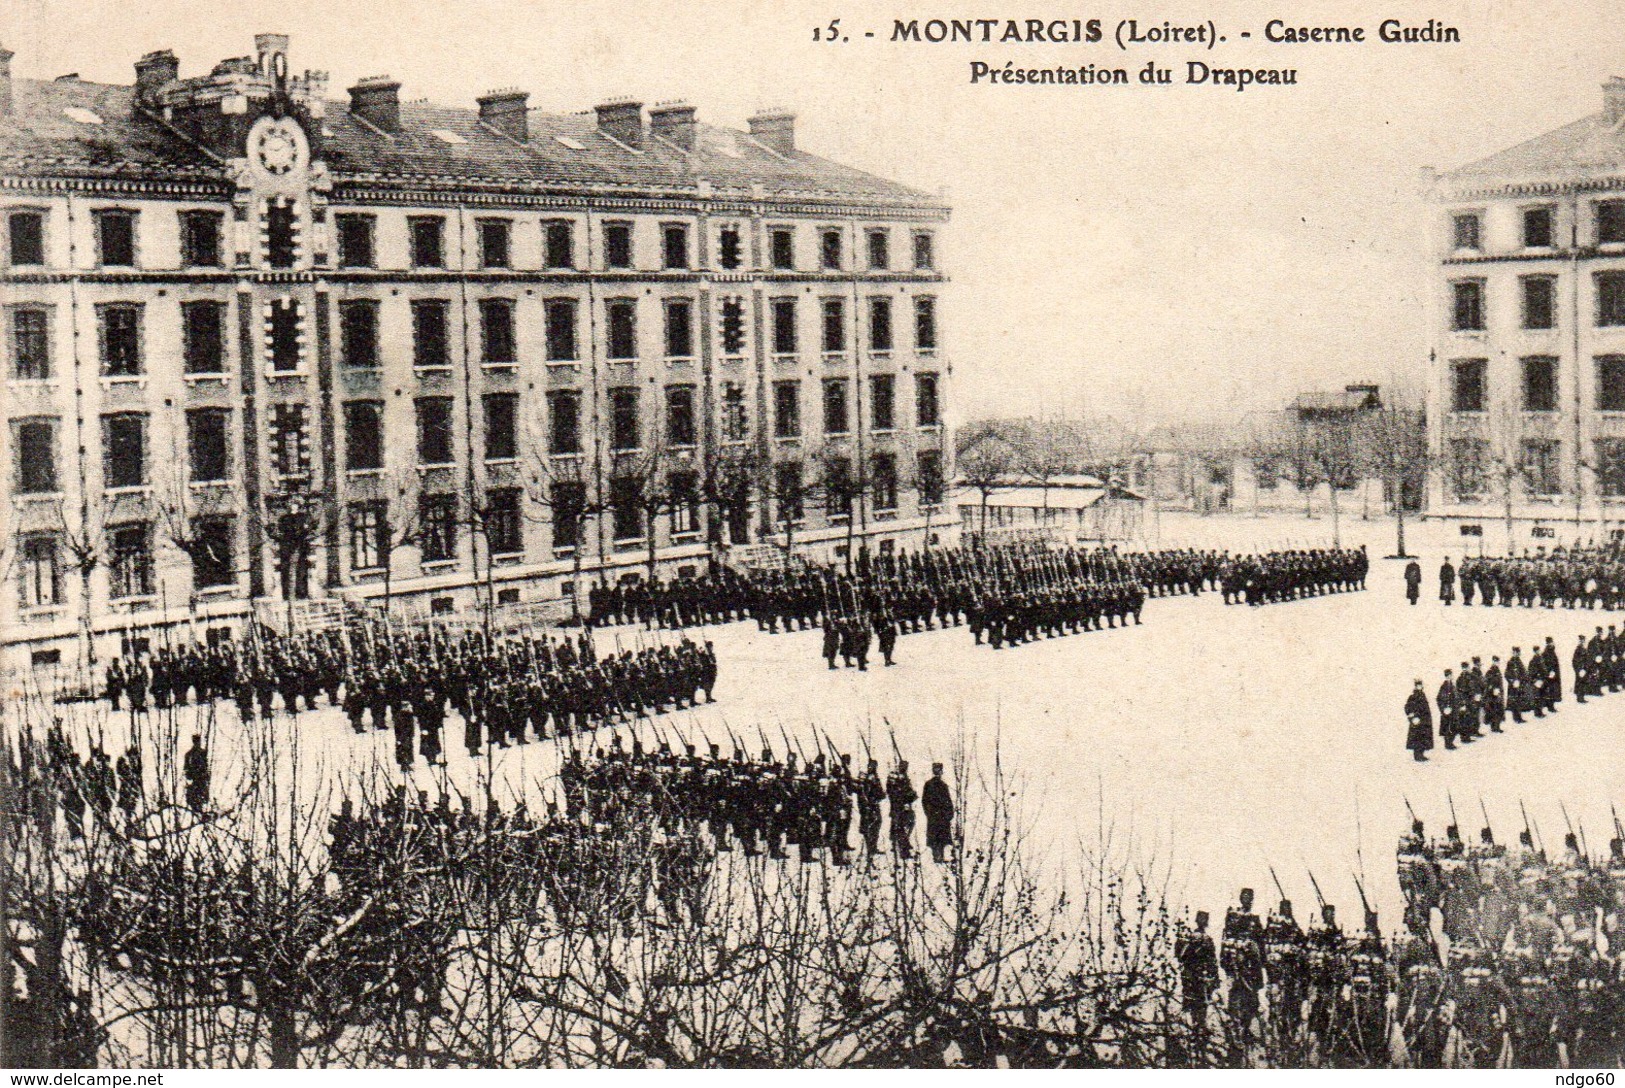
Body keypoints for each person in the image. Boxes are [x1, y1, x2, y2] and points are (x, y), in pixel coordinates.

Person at [921, 762, 954, 862]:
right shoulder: (942, 785)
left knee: (936, 837)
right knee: (940, 837)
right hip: (940, 816)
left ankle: (938, 856)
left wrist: (929, 813)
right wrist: (949, 813)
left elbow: (924, 801)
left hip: (935, 816)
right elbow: (947, 801)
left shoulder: (929, 784)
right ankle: (938, 857)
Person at [1405, 679, 1433, 761]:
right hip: (1417, 722)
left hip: (1424, 721)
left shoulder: (1423, 695)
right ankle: (1417, 756)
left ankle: (1421, 754)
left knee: (1423, 738)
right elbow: (1407, 708)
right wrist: (1412, 717)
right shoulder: (1413, 696)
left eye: (1420, 685)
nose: (1420, 687)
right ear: (1415, 686)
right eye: (1418, 685)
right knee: (1417, 739)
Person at [183, 733, 209, 813]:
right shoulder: (189, 755)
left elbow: (205, 767)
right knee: (194, 800)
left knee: (201, 799)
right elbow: (186, 769)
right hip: (194, 781)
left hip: (201, 781)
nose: (197, 743)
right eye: (196, 741)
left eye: (198, 741)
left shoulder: (203, 753)